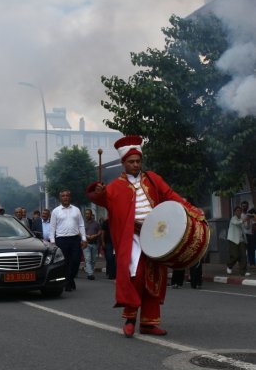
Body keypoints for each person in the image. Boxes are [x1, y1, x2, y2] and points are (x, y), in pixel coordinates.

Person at [86, 135, 203, 338]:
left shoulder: (152, 179)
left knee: (156, 277)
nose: (135, 164)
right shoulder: (114, 186)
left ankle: (149, 323)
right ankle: (130, 319)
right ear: (124, 163)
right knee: (136, 276)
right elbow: (102, 200)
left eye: (138, 161)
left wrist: (192, 209)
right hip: (132, 238)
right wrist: (98, 192)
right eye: (131, 161)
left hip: (157, 235)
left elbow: (171, 195)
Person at [49, 190, 87, 292]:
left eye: (67, 196)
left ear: (70, 197)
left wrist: (84, 238)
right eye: (63, 196)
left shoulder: (76, 210)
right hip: (61, 240)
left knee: (76, 261)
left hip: (75, 239)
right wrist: (52, 242)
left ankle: (69, 279)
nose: (65, 197)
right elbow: (52, 228)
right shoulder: (55, 211)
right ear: (60, 198)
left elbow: (81, 225)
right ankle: (68, 282)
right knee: (65, 263)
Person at [226, 205, 248, 276]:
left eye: (240, 211)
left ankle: (243, 272)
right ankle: (229, 266)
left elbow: (246, 228)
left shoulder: (241, 219)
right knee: (235, 255)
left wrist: (248, 221)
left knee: (243, 256)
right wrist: (243, 220)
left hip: (241, 240)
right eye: (237, 211)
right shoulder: (233, 218)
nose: (239, 212)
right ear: (235, 212)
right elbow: (236, 223)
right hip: (233, 239)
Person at [83, 209, 102, 280]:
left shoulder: (96, 223)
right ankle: (90, 274)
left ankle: (89, 270)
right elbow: (80, 232)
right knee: (87, 259)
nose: (87, 215)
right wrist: (86, 235)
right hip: (86, 243)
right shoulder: (83, 223)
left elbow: (100, 231)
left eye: (88, 214)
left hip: (94, 243)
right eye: (86, 214)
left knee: (93, 260)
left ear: (91, 215)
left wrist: (95, 235)